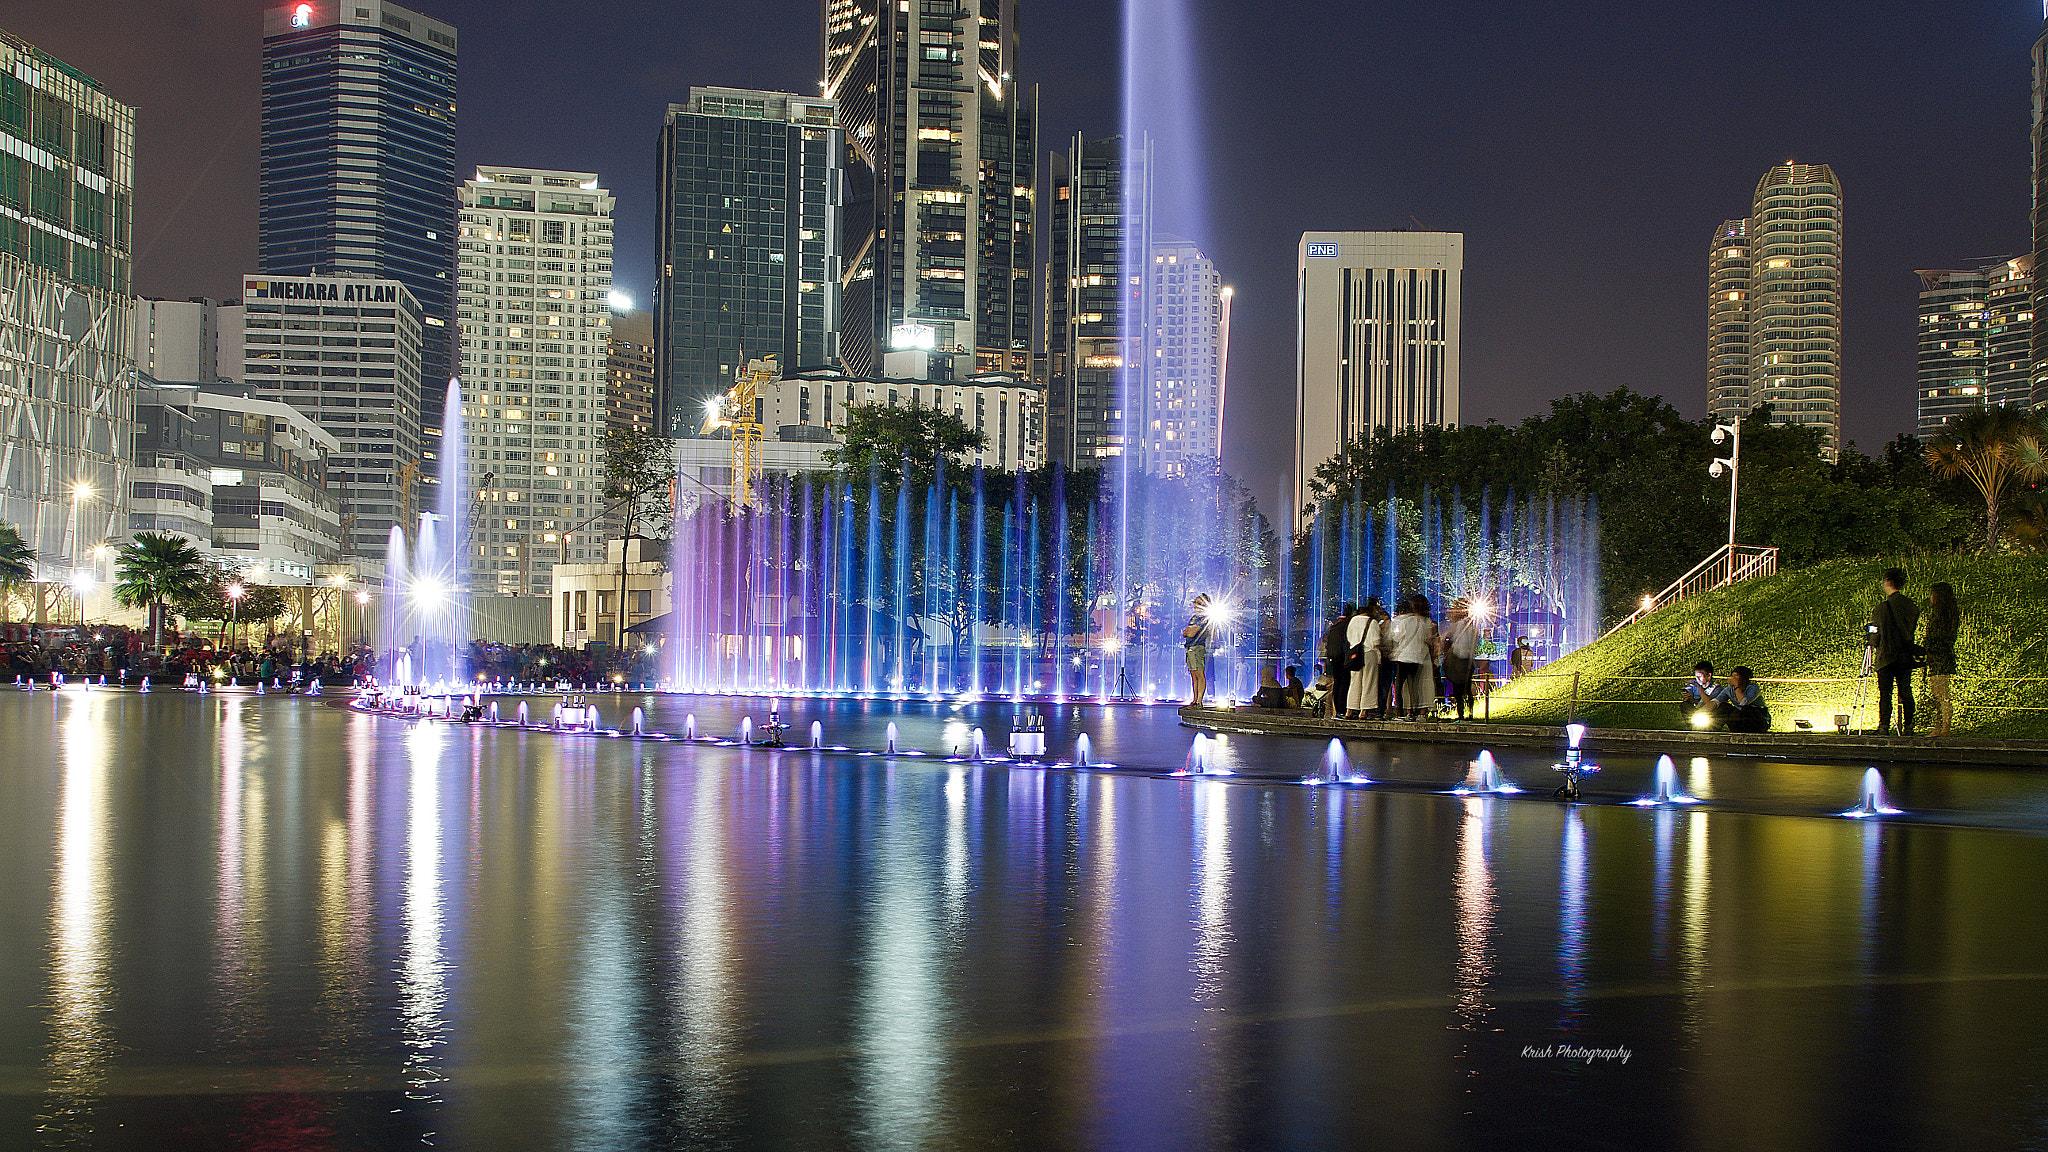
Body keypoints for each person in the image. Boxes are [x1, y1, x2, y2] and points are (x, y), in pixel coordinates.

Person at [1869, 567, 1920, 736]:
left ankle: (1884, 725)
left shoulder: (1881, 608)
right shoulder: (1911, 606)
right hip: (1905, 654)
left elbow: (1875, 634)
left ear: (1889, 582)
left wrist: (1871, 642)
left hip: (1886, 656)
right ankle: (1909, 725)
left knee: (1885, 693)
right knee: (1905, 690)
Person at [1388, 595, 1437, 720]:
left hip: (1406, 656)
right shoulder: (1427, 622)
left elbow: (1397, 637)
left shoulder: (1407, 621)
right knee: (1420, 685)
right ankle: (1421, 712)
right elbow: (1429, 639)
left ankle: (1406, 712)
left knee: (1403, 686)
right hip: (1422, 655)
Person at [1923, 582, 1960, 739]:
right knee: (1938, 694)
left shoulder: (1942, 615)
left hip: (1939, 657)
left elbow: (1939, 637)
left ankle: (1944, 727)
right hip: (1939, 656)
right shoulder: (1947, 614)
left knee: (1941, 694)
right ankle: (1939, 726)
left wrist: (1928, 646)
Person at [1441, 598, 1481, 721]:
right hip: (1468, 661)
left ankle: (1462, 715)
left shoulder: (1459, 626)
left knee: (1458, 690)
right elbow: (1476, 643)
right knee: (1467, 688)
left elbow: (1452, 642)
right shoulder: (1472, 627)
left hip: (1459, 661)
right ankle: (1469, 714)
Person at [1344, 597, 1383, 719]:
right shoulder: (1373, 622)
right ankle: (1364, 711)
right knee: (1369, 682)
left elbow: (1349, 637)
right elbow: (1376, 641)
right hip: (1369, 653)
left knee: (1355, 682)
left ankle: (1350, 710)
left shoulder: (1353, 620)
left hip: (1355, 654)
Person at [1322, 604, 1355, 719]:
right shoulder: (1348, 625)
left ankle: (1338, 711)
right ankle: (1343, 709)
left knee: (1337, 684)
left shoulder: (1334, 626)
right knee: (1345, 684)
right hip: (1343, 658)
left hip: (1333, 658)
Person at [1181, 593, 1213, 706]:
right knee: (1193, 674)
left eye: (1198, 603)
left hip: (1197, 647)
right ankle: (1194, 699)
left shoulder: (1203, 618)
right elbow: (1185, 633)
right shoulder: (1194, 617)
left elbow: (1191, 633)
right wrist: (1188, 631)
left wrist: (1189, 631)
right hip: (1189, 647)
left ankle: (1199, 700)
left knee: (1199, 673)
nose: (1195, 605)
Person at [1718, 666, 1770, 733]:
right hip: (1740, 721)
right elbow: (1716, 701)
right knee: (1723, 707)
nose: (1733, 679)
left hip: (1757, 721)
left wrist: (1737, 687)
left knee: (1746, 709)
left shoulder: (1753, 688)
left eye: (1736, 677)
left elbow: (1743, 702)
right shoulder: (1729, 689)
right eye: (1732, 676)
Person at [1681, 661, 1719, 726]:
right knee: (1684, 705)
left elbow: (1708, 702)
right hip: (1696, 712)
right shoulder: (1693, 685)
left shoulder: (1717, 688)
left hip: (1709, 715)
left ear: (1709, 675)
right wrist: (1687, 695)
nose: (1697, 679)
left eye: (1700, 676)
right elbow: (1689, 690)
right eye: (1696, 676)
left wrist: (1699, 688)